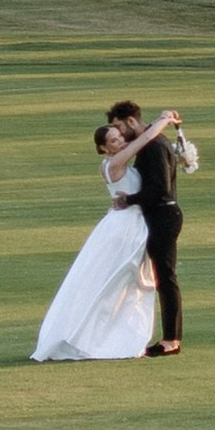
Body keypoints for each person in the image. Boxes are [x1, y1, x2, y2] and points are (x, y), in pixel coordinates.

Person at [31, 114, 177, 361]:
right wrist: (165, 119)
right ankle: (101, 337)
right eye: (113, 140)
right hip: (125, 227)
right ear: (103, 148)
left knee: (122, 282)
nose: (119, 142)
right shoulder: (114, 164)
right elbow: (147, 137)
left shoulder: (115, 163)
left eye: (119, 138)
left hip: (130, 223)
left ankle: (115, 332)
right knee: (117, 280)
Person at [107, 100, 185, 357]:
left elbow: (158, 189)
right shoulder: (149, 143)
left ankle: (171, 339)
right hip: (159, 215)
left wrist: (128, 200)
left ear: (131, 121)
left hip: (163, 216)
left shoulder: (152, 147)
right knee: (161, 277)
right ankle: (167, 337)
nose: (119, 134)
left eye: (119, 126)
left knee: (166, 277)